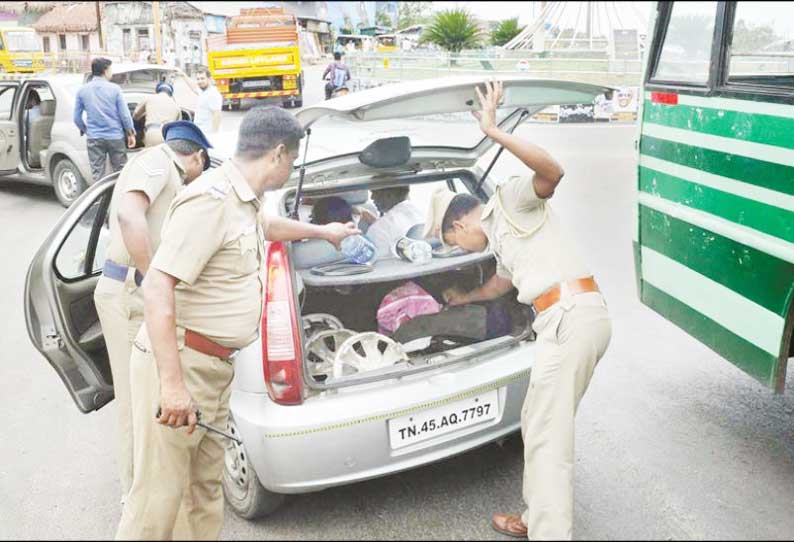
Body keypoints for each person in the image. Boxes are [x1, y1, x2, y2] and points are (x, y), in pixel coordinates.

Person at [115, 106, 359, 540]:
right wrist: (172, 385)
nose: (293, 167)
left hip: (212, 368)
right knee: (158, 499)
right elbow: (157, 287)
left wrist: (324, 232)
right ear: (279, 154)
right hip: (181, 364)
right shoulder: (210, 201)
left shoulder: (244, 198)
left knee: (203, 489)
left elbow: (267, 225)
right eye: (294, 159)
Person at [423, 81, 612, 541]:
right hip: (560, 321)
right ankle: (535, 516)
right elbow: (502, 283)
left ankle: (548, 532)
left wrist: (493, 131)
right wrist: (465, 299)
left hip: (572, 315)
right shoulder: (499, 240)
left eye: (451, 241)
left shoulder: (510, 199)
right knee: (537, 419)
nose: (457, 249)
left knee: (549, 438)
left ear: (460, 222)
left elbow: (553, 171)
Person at [93, 121, 212, 505]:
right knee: (135, 404)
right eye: (202, 169)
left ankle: (146, 489)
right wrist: (150, 279)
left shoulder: (165, 169)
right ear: (196, 156)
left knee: (148, 397)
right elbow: (130, 215)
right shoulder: (159, 162)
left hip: (132, 291)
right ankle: (134, 499)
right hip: (129, 294)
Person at [74, 58, 136, 182]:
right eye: (110, 69)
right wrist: (130, 133)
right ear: (105, 70)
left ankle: (99, 201)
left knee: (98, 175)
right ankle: (119, 199)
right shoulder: (115, 89)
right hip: (115, 137)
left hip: (94, 138)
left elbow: (76, 118)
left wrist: (87, 130)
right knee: (120, 172)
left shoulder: (82, 90)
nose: (111, 72)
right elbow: (125, 115)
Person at [360, 186, 424, 259]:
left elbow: (374, 264)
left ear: (389, 195)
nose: (372, 197)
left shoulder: (378, 229)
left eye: (374, 193)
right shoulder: (424, 214)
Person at [133, 82, 181, 147]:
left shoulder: (149, 98)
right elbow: (177, 127)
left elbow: (135, 115)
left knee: (151, 155)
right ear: (170, 94)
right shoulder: (176, 106)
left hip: (152, 133)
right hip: (168, 136)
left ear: (157, 91)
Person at [194, 67, 222, 138]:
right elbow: (193, 87)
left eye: (202, 78)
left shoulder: (213, 94)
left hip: (208, 135)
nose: (200, 81)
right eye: (198, 79)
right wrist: (183, 75)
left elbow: (217, 115)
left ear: (209, 79)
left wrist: (214, 135)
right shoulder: (203, 91)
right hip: (201, 132)